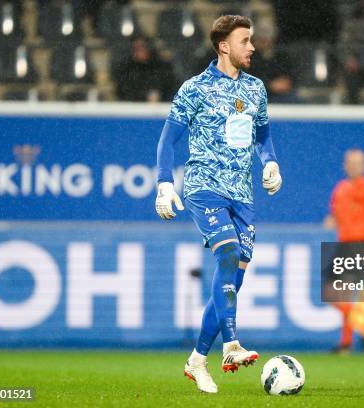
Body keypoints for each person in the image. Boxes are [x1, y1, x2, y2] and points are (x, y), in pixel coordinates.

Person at [155, 15, 282, 394]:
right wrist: (164, 184)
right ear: (224, 46)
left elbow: (262, 136)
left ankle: (196, 360)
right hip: (204, 188)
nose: (253, 47)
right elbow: (166, 142)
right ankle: (231, 346)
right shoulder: (195, 89)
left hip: (242, 195)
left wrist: (271, 161)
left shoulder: (256, 89)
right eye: (245, 40)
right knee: (226, 255)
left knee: (233, 279)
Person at [324, 149, 364, 354]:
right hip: (343, 246)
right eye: (350, 162)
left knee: (343, 292)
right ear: (345, 165)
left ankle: (346, 343)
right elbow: (334, 216)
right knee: (331, 293)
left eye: (358, 162)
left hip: (359, 245)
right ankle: (363, 322)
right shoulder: (340, 189)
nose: (354, 166)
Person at [113, 36, 177, 102]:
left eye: (142, 47)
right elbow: (123, 91)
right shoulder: (126, 69)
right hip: (133, 108)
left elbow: (170, 87)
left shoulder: (161, 68)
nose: (140, 50)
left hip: (160, 107)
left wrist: (158, 95)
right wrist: (142, 96)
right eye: (136, 48)